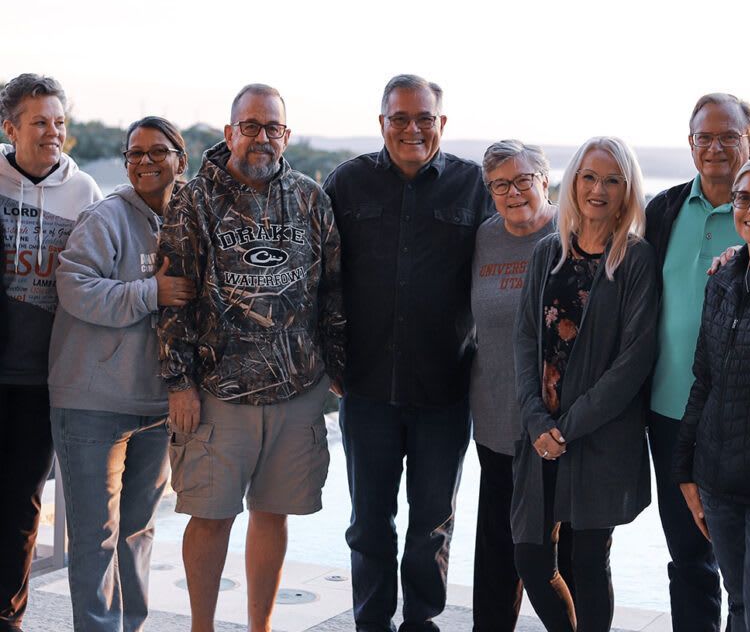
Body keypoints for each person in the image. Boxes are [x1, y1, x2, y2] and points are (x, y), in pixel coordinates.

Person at [157, 83, 345, 632]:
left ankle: (260, 626)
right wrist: (178, 382)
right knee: (210, 517)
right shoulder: (194, 200)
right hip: (217, 393)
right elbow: (173, 296)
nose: (262, 137)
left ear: (286, 135)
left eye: (273, 128)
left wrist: (337, 367)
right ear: (229, 131)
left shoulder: (311, 197)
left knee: (273, 512)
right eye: (252, 126)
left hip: (297, 388)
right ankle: (202, 627)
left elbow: (332, 289)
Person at [324, 74, 492, 632]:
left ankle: (421, 623)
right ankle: (371, 624)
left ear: (442, 124)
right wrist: (328, 357)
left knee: (432, 526)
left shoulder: (476, 187)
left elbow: (524, 249)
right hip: (366, 387)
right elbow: (318, 277)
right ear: (382, 123)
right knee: (369, 524)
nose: (412, 129)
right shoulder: (346, 184)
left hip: (444, 390)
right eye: (400, 118)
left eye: (425, 119)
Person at [48, 117, 195, 631]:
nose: (144, 162)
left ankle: (130, 626)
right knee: (96, 535)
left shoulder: (189, 221)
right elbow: (75, 288)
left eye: (157, 152)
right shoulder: (105, 218)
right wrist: (151, 292)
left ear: (181, 158)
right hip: (92, 401)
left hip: (155, 406)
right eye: (134, 153)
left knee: (137, 531)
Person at [512, 136, 657, 632]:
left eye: (612, 180)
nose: (599, 189)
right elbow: (525, 340)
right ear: (572, 182)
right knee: (531, 558)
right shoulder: (546, 254)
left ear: (627, 190)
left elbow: (633, 362)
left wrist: (567, 429)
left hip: (598, 439)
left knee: (590, 562)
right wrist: (536, 419)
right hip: (539, 434)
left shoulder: (635, 261)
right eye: (590, 177)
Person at [645, 92, 750, 632]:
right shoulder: (663, 209)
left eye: (727, 137)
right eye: (704, 138)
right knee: (688, 556)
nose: (715, 148)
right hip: (667, 414)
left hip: (746, 419)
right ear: (690, 145)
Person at [674, 157, 750, 632]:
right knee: (740, 607)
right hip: (718, 481)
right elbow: (703, 379)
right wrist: (687, 469)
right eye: (744, 198)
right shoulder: (722, 279)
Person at [0, 73, 102, 632]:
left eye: (59, 122)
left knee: (21, 505)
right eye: (39, 122)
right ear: (10, 127)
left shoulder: (84, 191)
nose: (52, 133)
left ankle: (8, 615)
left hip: (42, 377)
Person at [469, 140, 557, 631]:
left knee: (547, 557)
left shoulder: (575, 232)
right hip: (496, 422)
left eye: (524, 180)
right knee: (497, 551)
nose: (514, 192)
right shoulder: (484, 238)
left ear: (544, 180)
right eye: (500, 184)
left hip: (554, 426)